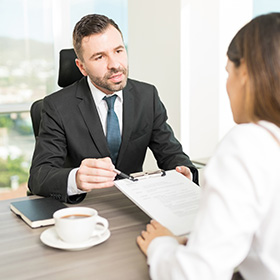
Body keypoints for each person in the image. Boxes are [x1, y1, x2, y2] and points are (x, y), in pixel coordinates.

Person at [137, 12, 280, 280]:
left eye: (228, 72)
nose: (227, 85)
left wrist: (160, 246)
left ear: (246, 72)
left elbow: (198, 274)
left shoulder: (248, 144)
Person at [28, 14, 198, 204]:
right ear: (82, 67)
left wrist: (184, 172)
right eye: (100, 57)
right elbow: (39, 177)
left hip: (133, 205)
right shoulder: (56, 106)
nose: (115, 65)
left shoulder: (146, 96)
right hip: (85, 209)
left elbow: (172, 154)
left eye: (118, 51)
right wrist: (76, 178)